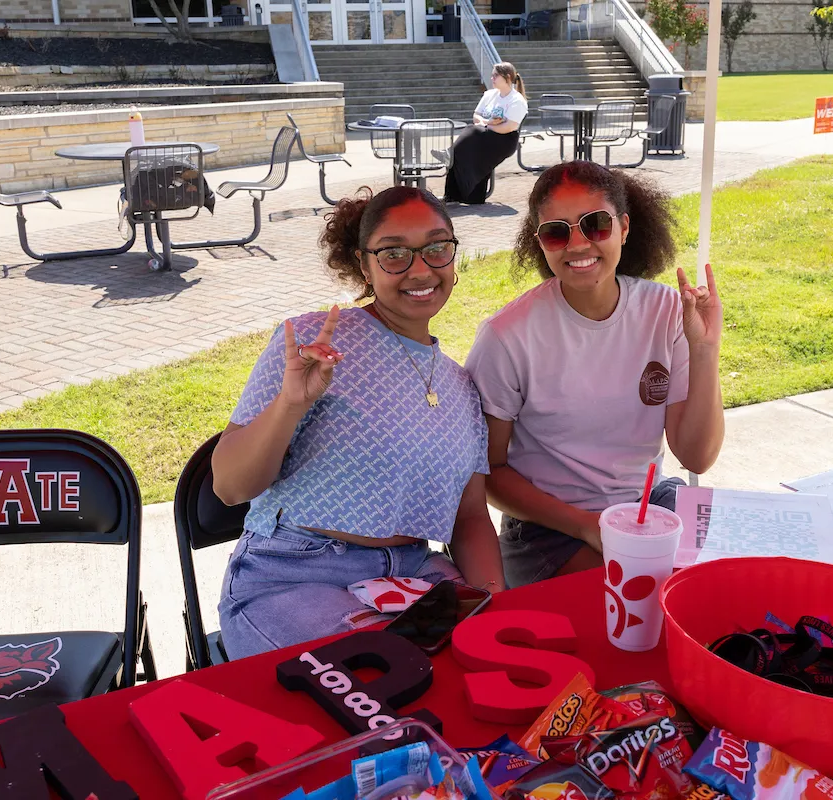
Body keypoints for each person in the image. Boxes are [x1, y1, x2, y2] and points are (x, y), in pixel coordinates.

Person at [214, 185, 505, 657]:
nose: (420, 269)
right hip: (297, 573)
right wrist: (290, 404)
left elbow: (470, 519)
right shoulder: (311, 343)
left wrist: (495, 604)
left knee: (478, 671)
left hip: (415, 574)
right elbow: (229, 486)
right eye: (394, 254)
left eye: (436, 248)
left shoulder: (460, 387)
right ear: (364, 265)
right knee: (382, 685)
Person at [465, 161, 725, 588]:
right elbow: (489, 472)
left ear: (624, 227)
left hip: (646, 505)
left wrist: (705, 350)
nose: (577, 244)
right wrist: (584, 524)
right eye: (557, 232)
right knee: (641, 598)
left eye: (595, 225)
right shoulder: (507, 337)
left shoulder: (666, 312)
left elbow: (696, 457)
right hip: (548, 529)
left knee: (731, 580)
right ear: (540, 243)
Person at [442, 62, 528, 205]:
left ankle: (449, 154)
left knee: (472, 130)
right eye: (492, 75)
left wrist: (486, 126)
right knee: (462, 153)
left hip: (503, 139)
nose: (492, 78)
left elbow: (509, 126)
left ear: (507, 77)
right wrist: (486, 123)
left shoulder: (516, 100)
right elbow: (476, 115)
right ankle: (455, 195)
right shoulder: (489, 95)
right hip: (484, 134)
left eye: (495, 75)